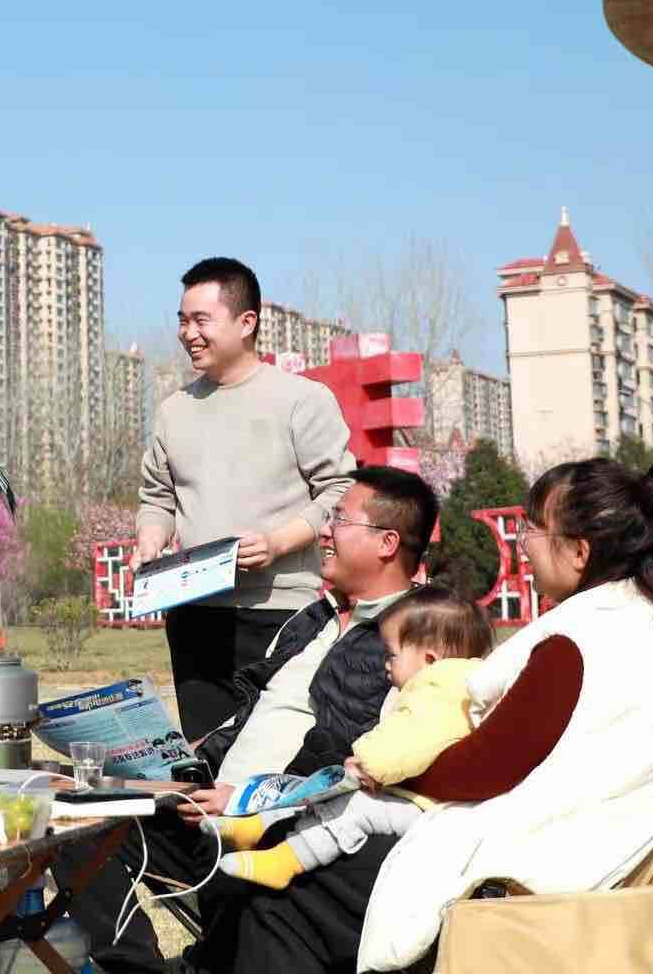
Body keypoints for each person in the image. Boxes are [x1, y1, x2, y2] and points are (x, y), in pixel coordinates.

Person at [61, 464, 436, 974]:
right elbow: (251, 713)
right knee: (78, 820)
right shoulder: (311, 619)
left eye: (339, 520)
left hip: (283, 829)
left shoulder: (419, 638)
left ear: (387, 543)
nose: (324, 532)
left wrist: (245, 801)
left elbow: (372, 767)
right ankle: (134, 968)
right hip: (209, 805)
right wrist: (175, 757)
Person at [353, 458, 653, 971]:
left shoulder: (575, 645)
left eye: (534, 529)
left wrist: (391, 769)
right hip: (593, 868)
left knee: (297, 889)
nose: (523, 544)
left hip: (521, 883)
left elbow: (484, 769)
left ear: (579, 552)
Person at [135, 257, 357, 742]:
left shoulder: (302, 399)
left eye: (201, 320)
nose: (188, 333)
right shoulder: (174, 411)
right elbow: (157, 496)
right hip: (194, 613)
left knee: (271, 754)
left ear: (246, 322)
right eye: (182, 321)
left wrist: (279, 542)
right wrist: (151, 539)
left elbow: (341, 491)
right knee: (205, 751)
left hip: (280, 609)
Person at [213, 584, 494, 889]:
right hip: (416, 797)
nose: (386, 665)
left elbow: (412, 740)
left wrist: (367, 764)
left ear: (429, 659)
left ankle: (285, 862)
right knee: (328, 792)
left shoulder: (441, 689)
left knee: (354, 810)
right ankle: (258, 826)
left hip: (431, 810)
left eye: (392, 656)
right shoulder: (448, 684)